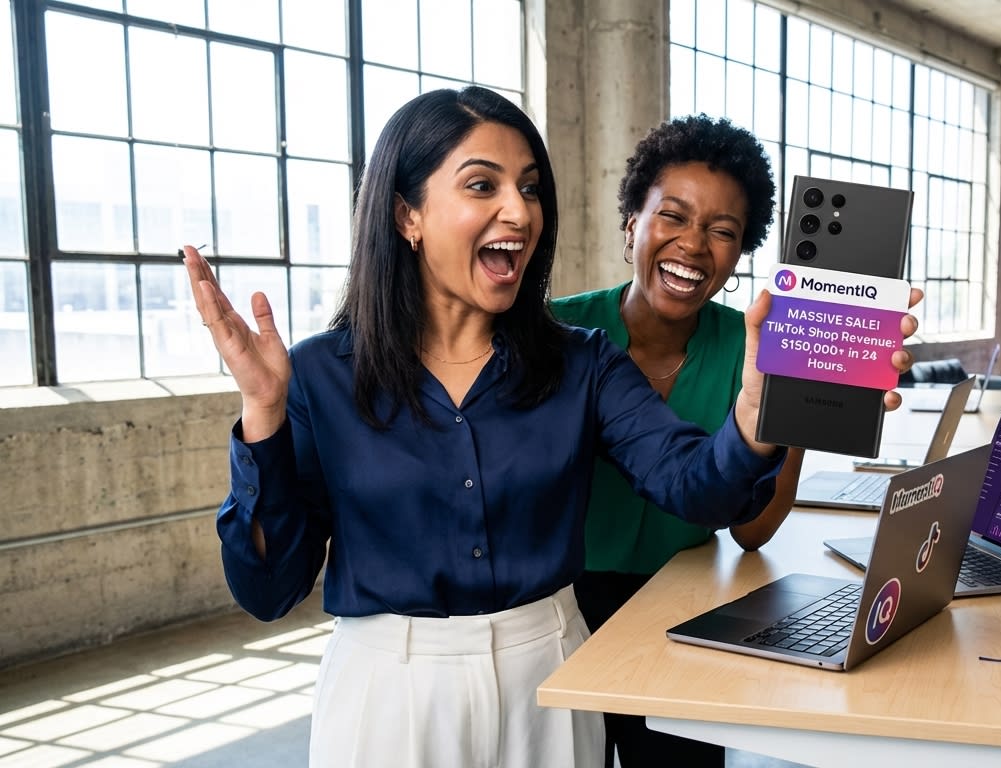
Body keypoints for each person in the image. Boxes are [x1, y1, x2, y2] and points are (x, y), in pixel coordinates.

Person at [183, 87, 920, 767]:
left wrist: (759, 417)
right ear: (407, 214)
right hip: (388, 694)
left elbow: (694, 487)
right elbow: (269, 589)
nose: (520, 211)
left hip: (550, 674)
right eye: (484, 185)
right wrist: (265, 417)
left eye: (530, 188)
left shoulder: (581, 363)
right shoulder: (318, 374)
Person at [551, 115, 803, 768]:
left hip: (684, 608)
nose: (694, 246)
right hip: (560, 607)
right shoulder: (557, 335)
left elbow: (752, 532)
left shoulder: (753, 351)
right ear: (632, 223)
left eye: (723, 231)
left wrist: (800, 406)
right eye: (673, 216)